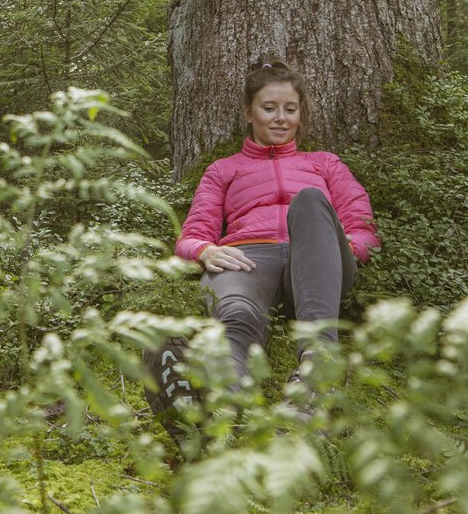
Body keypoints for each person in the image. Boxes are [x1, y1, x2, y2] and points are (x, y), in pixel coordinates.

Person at [150, 56, 379, 412]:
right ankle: (222, 403)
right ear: (248, 112)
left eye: (290, 108)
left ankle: (317, 373)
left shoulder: (325, 163)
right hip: (248, 259)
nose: (281, 118)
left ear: (301, 113)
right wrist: (206, 252)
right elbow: (191, 235)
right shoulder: (223, 170)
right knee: (237, 315)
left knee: (310, 199)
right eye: (269, 108)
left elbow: (363, 227)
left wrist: (342, 248)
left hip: (318, 261)